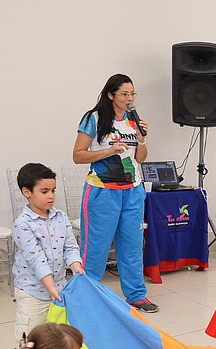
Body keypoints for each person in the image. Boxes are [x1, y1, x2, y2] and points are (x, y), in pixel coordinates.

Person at [72, 73, 158, 313]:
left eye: (133, 94)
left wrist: (141, 139)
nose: (130, 99)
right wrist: (108, 152)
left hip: (132, 191)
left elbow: (140, 159)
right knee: (96, 248)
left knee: (132, 245)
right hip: (102, 190)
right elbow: (78, 155)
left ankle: (136, 295)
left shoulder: (133, 120)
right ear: (110, 95)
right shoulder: (94, 118)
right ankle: (87, 296)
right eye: (124, 94)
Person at [12, 163, 83, 349]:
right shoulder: (23, 224)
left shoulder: (61, 217)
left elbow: (70, 246)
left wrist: (76, 265)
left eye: (53, 190)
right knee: (27, 341)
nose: (51, 196)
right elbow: (36, 260)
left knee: (55, 339)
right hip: (32, 293)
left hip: (59, 288)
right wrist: (51, 287)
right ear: (27, 192)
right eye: (44, 191)